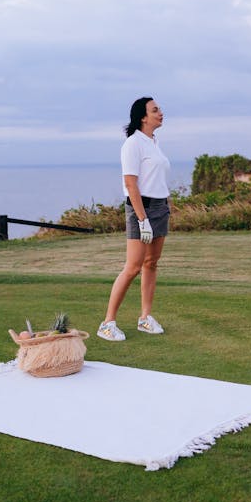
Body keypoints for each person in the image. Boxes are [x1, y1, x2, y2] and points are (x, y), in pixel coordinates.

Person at [97, 96, 170, 341]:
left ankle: (145, 318)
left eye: (159, 109)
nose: (161, 113)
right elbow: (131, 183)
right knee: (133, 267)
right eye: (155, 110)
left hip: (160, 207)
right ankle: (107, 323)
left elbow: (156, 179)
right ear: (143, 117)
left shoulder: (153, 142)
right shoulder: (133, 143)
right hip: (142, 208)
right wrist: (142, 220)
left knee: (151, 264)